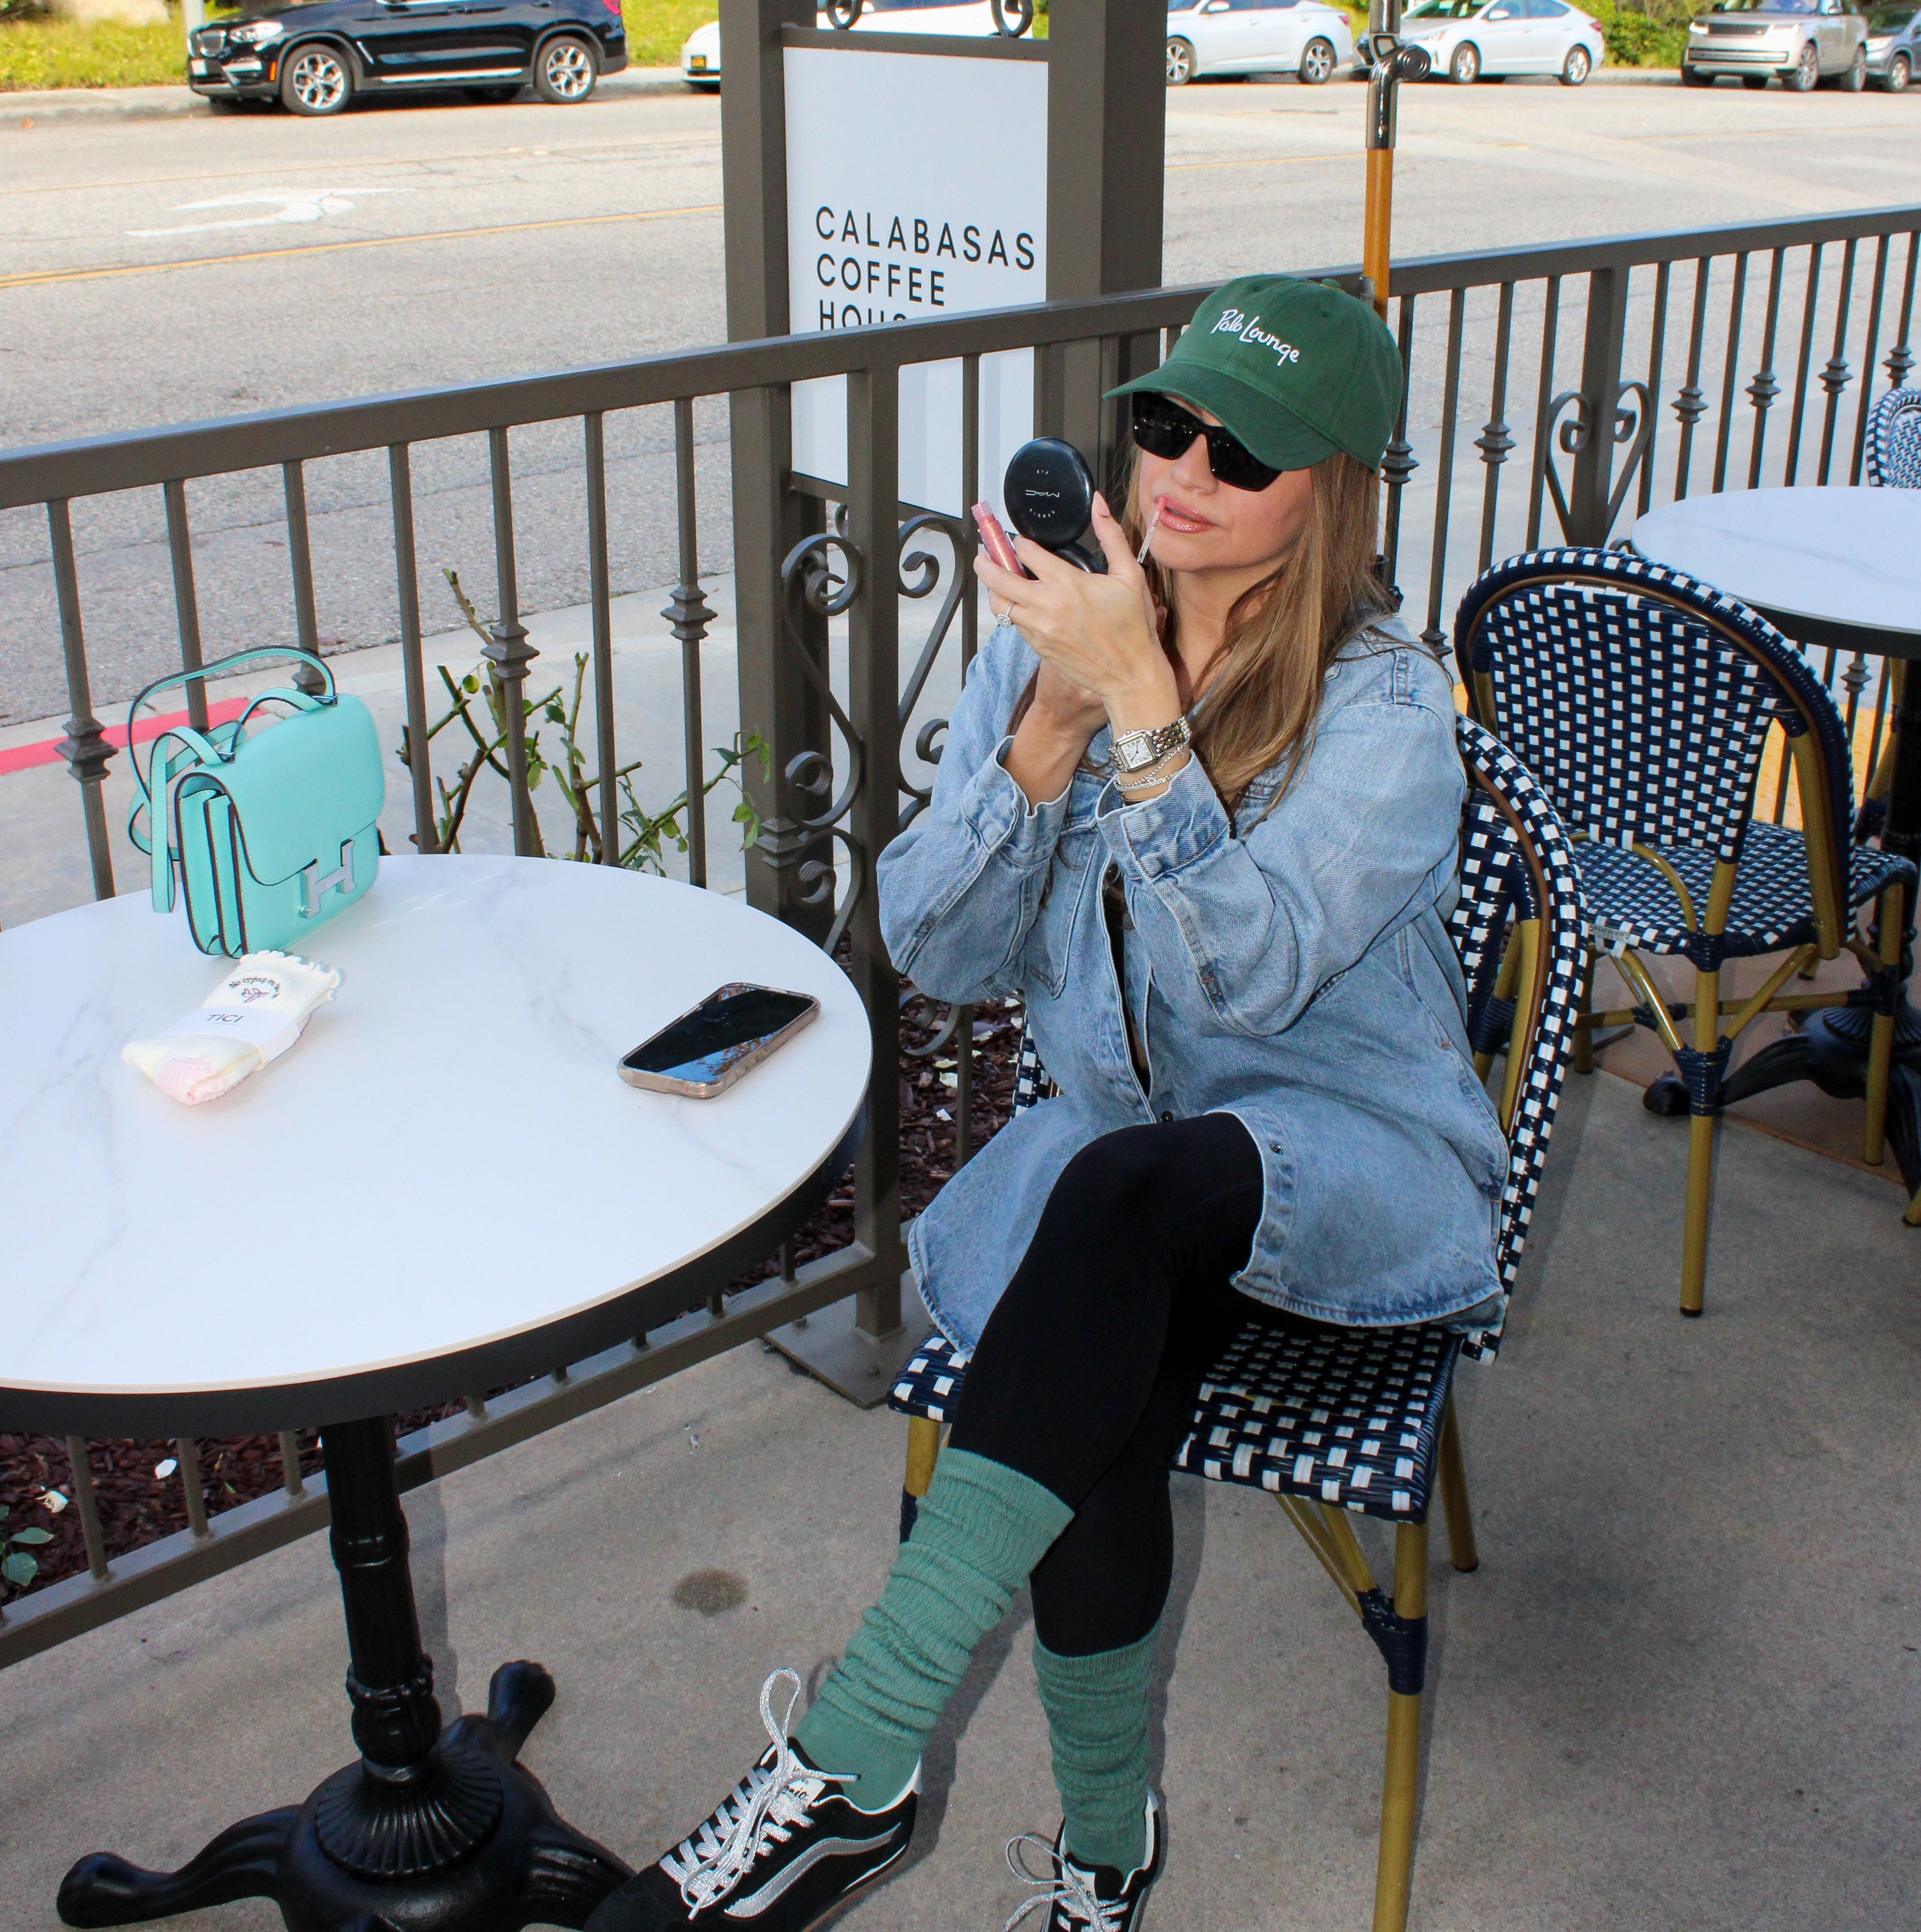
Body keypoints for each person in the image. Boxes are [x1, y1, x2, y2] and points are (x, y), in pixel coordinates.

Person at [585, 275, 1508, 1932]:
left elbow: (1248, 985)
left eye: (1250, 448)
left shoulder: (1388, 710)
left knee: (1124, 1201)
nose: (1186, 469)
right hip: (1112, 1183)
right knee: (1098, 1384)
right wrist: (1051, 726)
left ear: (1339, 492)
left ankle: (851, 1758)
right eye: (1168, 422)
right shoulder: (1065, 641)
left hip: (1343, 1164)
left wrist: (1143, 710)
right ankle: (1105, 1864)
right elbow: (938, 946)